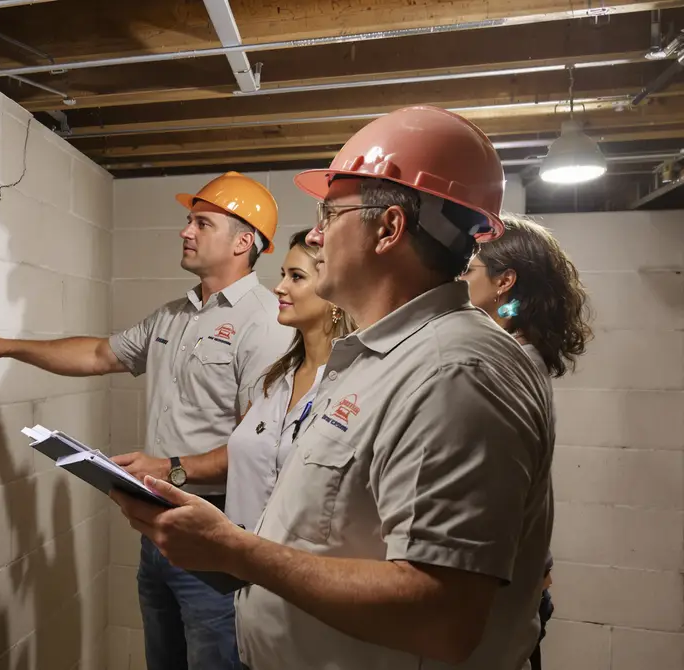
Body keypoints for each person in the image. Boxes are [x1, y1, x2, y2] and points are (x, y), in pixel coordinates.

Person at [110, 105, 556, 670]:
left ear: (389, 228)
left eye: (331, 213)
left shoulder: (454, 372)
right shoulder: (377, 358)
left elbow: (442, 617)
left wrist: (234, 549)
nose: (316, 235)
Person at [0, 171, 293, 670]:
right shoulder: (174, 316)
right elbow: (101, 353)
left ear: (244, 242)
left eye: (202, 223)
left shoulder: (267, 323)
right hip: (158, 534)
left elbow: (262, 446)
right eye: (188, 221)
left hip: (214, 534)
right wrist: (5, 346)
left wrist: (169, 468)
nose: (185, 231)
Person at [113, 229, 355, 535]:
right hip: (241, 551)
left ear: (334, 292)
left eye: (296, 277)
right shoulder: (277, 378)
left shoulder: (352, 383)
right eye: (283, 274)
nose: (279, 287)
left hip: (296, 559)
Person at [460, 212, 593, 669]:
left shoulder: (508, 362)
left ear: (505, 281)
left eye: (469, 269)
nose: (460, 278)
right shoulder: (515, 352)